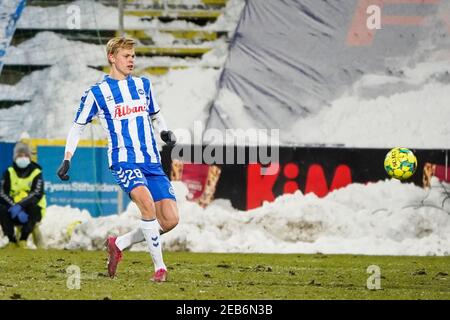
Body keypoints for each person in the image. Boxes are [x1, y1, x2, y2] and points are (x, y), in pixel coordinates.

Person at [56, 37, 179, 282]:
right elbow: (78, 127)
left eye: (133, 56)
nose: (131, 60)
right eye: (126, 56)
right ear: (112, 58)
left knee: (170, 219)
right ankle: (160, 269)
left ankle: (119, 243)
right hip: (123, 161)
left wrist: (165, 131)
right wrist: (67, 158)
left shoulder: (144, 85)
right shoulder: (96, 93)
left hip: (151, 160)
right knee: (146, 204)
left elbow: (156, 114)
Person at [0, 142, 46, 248]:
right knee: (1, 208)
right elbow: (2, 193)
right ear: (15, 157)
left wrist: (20, 206)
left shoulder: (36, 172)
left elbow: (36, 194)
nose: (23, 158)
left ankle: (23, 239)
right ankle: (11, 240)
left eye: (26, 155)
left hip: (31, 211)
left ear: (30, 157)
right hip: (13, 210)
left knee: (34, 208)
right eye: (20, 155)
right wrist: (13, 206)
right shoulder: (9, 172)